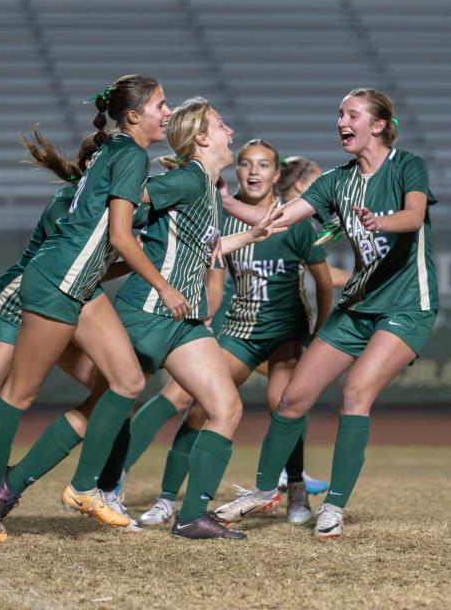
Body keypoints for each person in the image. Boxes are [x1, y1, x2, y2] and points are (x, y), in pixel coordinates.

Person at [0, 74, 182, 543]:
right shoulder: (131, 154)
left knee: (127, 382)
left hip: (78, 283)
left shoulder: (115, 151)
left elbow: (108, 237)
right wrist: (163, 286)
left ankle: (84, 488)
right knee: (19, 394)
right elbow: (120, 237)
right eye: (161, 104)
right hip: (59, 280)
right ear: (134, 115)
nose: (168, 112)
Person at [212, 87, 439, 540]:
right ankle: (263, 491)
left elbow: (413, 218)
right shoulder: (336, 180)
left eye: (351, 114)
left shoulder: (407, 165)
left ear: (377, 125)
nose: (341, 121)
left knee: (356, 391)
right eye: (339, 114)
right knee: (292, 399)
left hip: (407, 306)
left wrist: (380, 221)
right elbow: (279, 218)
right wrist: (222, 201)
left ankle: (333, 507)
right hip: (358, 305)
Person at [129, 139, 334, 528]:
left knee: (285, 404)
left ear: (277, 175)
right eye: (245, 164)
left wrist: (321, 331)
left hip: (287, 333)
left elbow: (324, 282)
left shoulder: (295, 222)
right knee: (200, 407)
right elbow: (215, 280)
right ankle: (166, 499)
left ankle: (294, 488)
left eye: (263, 165)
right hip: (240, 329)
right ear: (236, 171)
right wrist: (205, 312)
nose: (254, 171)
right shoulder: (221, 219)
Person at [0, 131, 118, 536]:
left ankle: (13, 484)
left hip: (65, 304)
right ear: (91, 167)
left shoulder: (115, 206)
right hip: (17, 301)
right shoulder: (69, 201)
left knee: (114, 387)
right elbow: (68, 262)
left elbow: (98, 265)